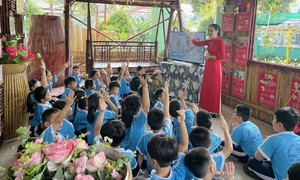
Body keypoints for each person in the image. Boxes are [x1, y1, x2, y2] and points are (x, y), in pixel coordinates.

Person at [244, 107, 300, 180]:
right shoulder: (298, 138)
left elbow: (257, 157)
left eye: (274, 119)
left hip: (281, 177)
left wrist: (266, 143)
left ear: (280, 125)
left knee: (251, 161)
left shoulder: (274, 139)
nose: (272, 121)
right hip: (295, 175)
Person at [183, 24, 225, 115]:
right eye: (209, 30)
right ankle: (206, 108)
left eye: (211, 31)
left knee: (214, 88)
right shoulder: (209, 41)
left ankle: (214, 111)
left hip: (216, 67)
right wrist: (187, 34)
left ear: (217, 31)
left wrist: (210, 56)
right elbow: (197, 43)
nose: (209, 32)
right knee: (206, 86)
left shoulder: (220, 42)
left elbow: (222, 56)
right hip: (209, 66)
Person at [136, 81, 173, 172]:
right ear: (164, 122)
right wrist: (166, 94)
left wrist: (138, 170)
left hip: (151, 168)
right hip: (166, 169)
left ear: (148, 124)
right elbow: (167, 110)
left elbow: (140, 155)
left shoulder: (145, 137)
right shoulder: (167, 131)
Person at [147, 109, 188, 180]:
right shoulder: (179, 171)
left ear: (154, 162)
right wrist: (182, 123)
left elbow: (184, 144)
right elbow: (184, 145)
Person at [121, 76, 150, 151]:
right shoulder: (139, 121)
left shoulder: (122, 118)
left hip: (124, 152)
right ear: (138, 108)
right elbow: (146, 106)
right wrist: (145, 87)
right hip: (136, 153)